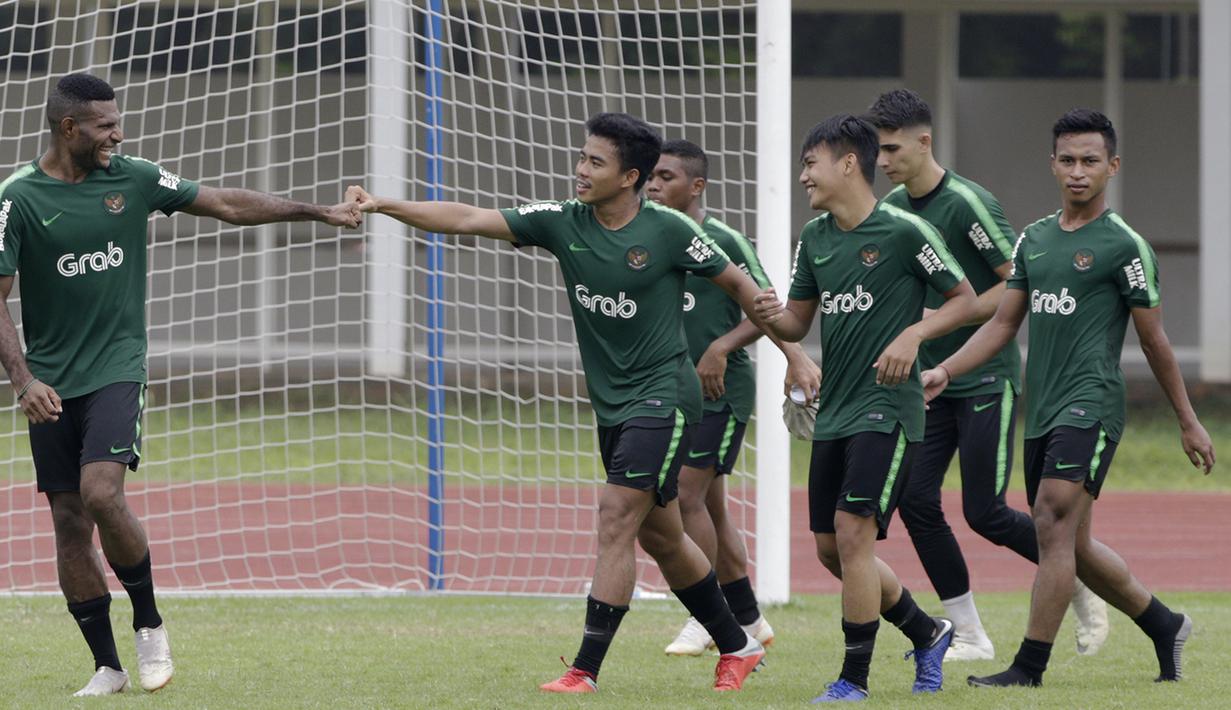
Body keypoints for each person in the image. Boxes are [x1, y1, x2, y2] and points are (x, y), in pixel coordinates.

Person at [345, 112, 816, 693]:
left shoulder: (669, 230)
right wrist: (383, 203)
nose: (581, 170)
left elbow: (742, 286)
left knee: (615, 518)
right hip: (612, 405)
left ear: (630, 177)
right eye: (582, 157)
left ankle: (584, 670)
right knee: (663, 536)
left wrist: (790, 347)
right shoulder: (562, 222)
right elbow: (466, 218)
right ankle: (739, 643)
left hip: (664, 398)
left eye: (596, 161)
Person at [0, 73, 361, 697]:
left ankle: (149, 624)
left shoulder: (134, 177)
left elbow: (224, 203)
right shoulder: (17, 199)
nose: (119, 132)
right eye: (106, 125)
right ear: (68, 128)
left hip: (118, 365)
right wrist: (23, 377)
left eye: (118, 121)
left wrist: (317, 211)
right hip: (50, 383)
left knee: (101, 493)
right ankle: (108, 667)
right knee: (66, 521)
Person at [922, 109, 1215, 688]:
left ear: (1113, 166)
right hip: (1044, 411)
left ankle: (1028, 668)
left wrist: (1188, 420)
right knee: (1069, 543)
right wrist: (945, 370)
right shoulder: (1034, 238)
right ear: (1052, 164)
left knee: (1050, 521)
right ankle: (1164, 624)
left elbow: (1154, 342)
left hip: (1093, 404)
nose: (1078, 172)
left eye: (1090, 161)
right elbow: (1004, 326)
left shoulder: (1125, 246)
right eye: (1068, 160)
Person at [865, 88, 1109, 661]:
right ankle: (968, 634)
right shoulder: (895, 208)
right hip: (930, 380)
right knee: (916, 501)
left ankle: (1076, 583)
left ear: (925, 143)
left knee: (986, 512)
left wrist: (936, 320)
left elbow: (1008, 284)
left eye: (892, 148)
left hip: (984, 377)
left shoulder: (968, 203)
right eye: (878, 149)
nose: (883, 160)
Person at [753, 114, 977, 702]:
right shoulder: (817, 240)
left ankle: (853, 679)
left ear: (847, 163)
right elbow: (798, 320)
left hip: (888, 411)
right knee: (832, 549)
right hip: (835, 413)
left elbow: (967, 299)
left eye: (811, 164)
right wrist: (767, 315)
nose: (803, 176)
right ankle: (928, 632)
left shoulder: (904, 231)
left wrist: (912, 337)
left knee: (855, 536)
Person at [645, 139, 817, 655]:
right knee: (712, 508)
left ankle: (707, 612)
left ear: (696, 186)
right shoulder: (652, 237)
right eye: (650, 175)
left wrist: (780, 355)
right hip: (675, 392)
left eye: (666, 176)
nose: (653, 184)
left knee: (686, 497)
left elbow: (768, 306)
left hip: (720, 393)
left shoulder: (723, 240)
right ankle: (748, 618)